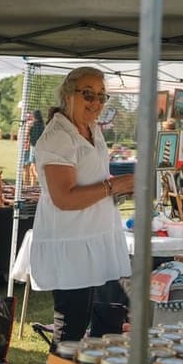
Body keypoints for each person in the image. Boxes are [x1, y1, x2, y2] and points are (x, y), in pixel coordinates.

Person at [29, 67, 134, 344]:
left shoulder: (91, 128)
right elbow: (64, 198)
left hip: (95, 236)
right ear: (68, 94)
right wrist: (114, 186)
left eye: (102, 96)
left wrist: (120, 187)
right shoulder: (58, 137)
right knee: (70, 332)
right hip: (71, 242)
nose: (96, 102)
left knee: (98, 321)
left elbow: (93, 178)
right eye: (88, 94)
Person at [24, 110, 44, 186]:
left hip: (33, 147)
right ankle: (33, 185)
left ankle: (41, 181)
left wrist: (26, 142)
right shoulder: (42, 125)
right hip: (40, 148)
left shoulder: (33, 125)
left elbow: (28, 135)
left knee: (33, 166)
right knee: (33, 167)